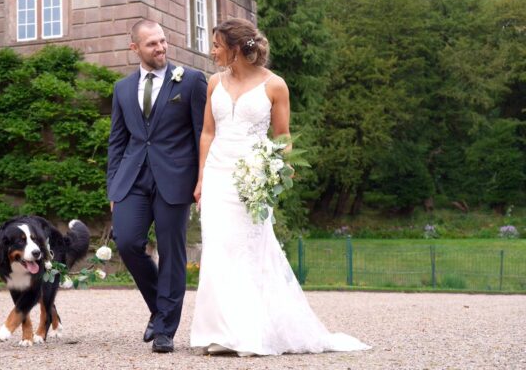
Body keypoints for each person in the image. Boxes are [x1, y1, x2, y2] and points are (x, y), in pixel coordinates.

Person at [189, 18, 370, 356]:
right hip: (217, 174)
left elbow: (282, 137)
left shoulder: (276, 86)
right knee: (217, 250)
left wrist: (276, 173)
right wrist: (201, 178)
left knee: (250, 251)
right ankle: (219, 331)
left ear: (236, 48)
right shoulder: (214, 82)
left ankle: (250, 331)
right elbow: (207, 133)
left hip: (253, 177)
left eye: (217, 45)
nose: (212, 51)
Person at [107, 19, 207, 353]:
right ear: (134, 47)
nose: (160, 48)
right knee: (127, 241)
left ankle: (165, 330)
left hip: (176, 179)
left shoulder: (191, 81)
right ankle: (159, 308)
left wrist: (201, 180)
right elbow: (117, 142)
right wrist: (113, 188)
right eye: (152, 44)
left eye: (163, 41)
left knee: (172, 252)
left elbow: (202, 134)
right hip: (132, 179)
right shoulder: (122, 89)